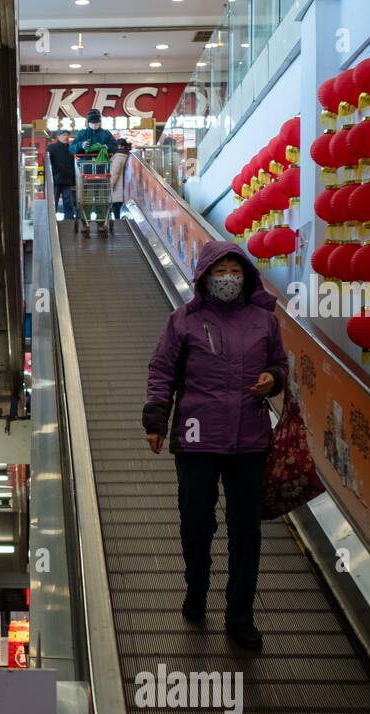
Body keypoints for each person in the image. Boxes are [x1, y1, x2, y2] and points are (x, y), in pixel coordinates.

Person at [141, 239, 288, 651]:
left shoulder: (264, 321)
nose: (228, 279)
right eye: (220, 271)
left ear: (246, 275)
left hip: (249, 441)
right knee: (197, 524)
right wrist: (156, 420)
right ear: (205, 276)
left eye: (234, 271)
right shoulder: (183, 321)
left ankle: (240, 614)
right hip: (196, 438)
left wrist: (273, 380)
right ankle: (196, 587)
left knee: (246, 532)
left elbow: (279, 364)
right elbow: (162, 369)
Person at [45, 129, 77, 223]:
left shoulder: (71, 149)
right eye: (63, 135)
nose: (66, 137)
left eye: (67, 135)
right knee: (53, 201)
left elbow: (72, 165)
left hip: (67, 180)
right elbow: (47, 163)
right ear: (58, 137)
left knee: (68, 201)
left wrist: (73, 180)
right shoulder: (51, 148)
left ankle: (69, 220)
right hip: (55, 180)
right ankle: (51, 220)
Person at [106, 139, 128, 233]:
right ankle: (121, 224)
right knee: (119, 207)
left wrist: (109, 187)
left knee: (116, 208)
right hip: (124, 189)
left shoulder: (118, 157)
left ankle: (118, 225)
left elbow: (114, 174)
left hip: (117, 189)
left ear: (120, 146)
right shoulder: (127, 155)